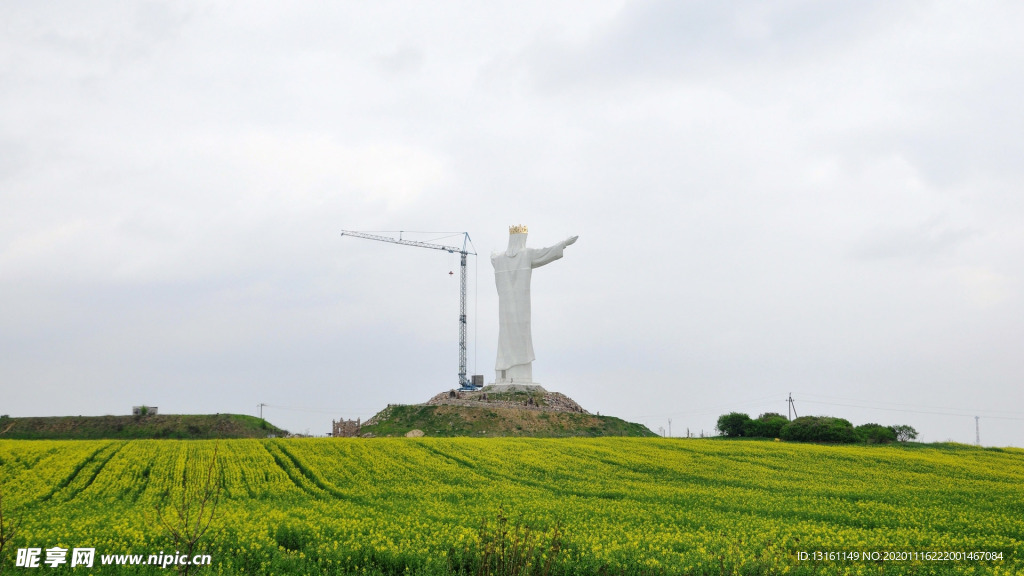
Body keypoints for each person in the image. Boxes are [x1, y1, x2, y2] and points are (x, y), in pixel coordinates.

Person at [491, 225, 578, 384]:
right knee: (519, 335)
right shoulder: (526, 254)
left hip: (505, 310)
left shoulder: (499, 259)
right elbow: (547, 253)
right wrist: (564, 243)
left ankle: (506, 369)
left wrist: (494, 253)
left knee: (507, 336)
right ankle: (515, 373)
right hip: (521, 306)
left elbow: (493, 258)